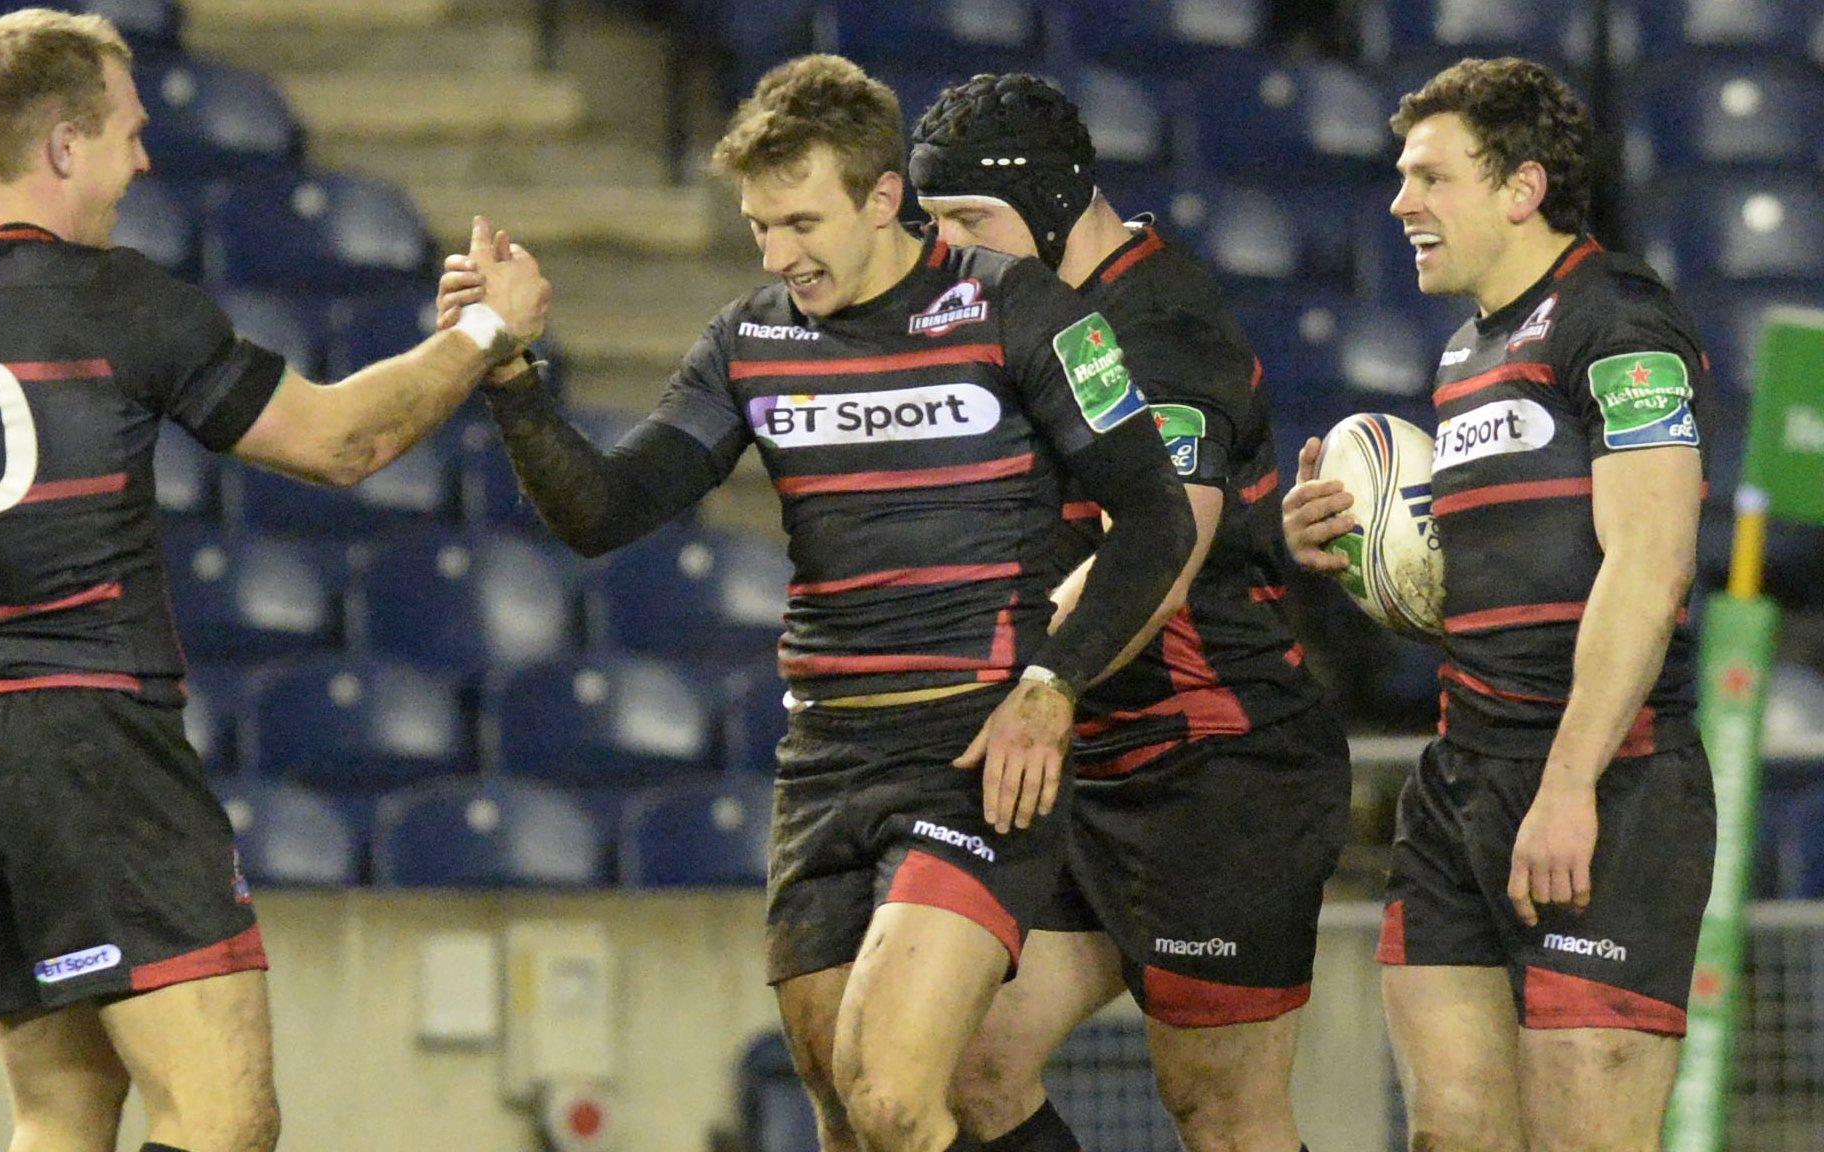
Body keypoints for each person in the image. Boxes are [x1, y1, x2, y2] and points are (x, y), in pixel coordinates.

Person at [0, 10, 548, 1152]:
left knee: (59, 1112)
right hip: (98, 751)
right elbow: (341, 442)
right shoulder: (117, 300)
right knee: (223, 1117)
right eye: (127, 135)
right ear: (61, 146)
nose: (145, 160)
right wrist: (489, 330)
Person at [438, 54, 1193, 1152]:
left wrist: (1050, 684)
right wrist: (508, 377)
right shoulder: (750, 342)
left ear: (883, 197)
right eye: (756, 229)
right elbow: (601, 512)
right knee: (849, 1117)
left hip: (973, 749)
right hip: (823, 763)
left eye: (800, 222)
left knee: (890, 1095)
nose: (779, 255)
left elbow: (1159, 522)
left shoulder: (1014, 309)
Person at [906, 74, 1350, 1152]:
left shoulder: (1158, 328)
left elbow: (1152, 555)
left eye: (969, 219)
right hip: (1082, 764)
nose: (949, 250)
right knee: (969, 1066)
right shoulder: (1031, 319)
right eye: (935, 225)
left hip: (1214, 773)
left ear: (1054, 202)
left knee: (1218, 1108)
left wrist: (1020, 673)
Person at [1282, 57, 1713, 1152]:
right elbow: (1507, 586)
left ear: (1520, 188)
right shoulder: (1464, 353)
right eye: (1397, 176)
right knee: (1450, 1134)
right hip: (1459, 781)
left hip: (1605, 787)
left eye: (1428, 176)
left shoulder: (1616, 318)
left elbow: (1648, 566)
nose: (1399, 203)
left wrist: (1568, 784)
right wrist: (1366, 561)